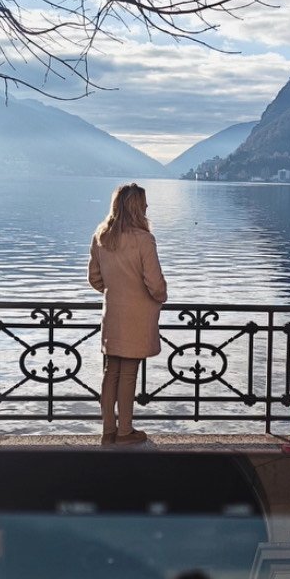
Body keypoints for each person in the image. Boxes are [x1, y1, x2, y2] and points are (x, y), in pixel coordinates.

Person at [88, 183, 167, 446]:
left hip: (113, 314)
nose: (147, 207)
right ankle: (125, 431)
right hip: (138, 315)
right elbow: (155, 283)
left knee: (111, 372)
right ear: (137, 207)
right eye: (143, 203)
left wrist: (116, 291)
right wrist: (160, 297)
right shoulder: (144, 240)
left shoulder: (101, 236)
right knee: (129, 372)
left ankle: (108, 431)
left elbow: (95, 279)